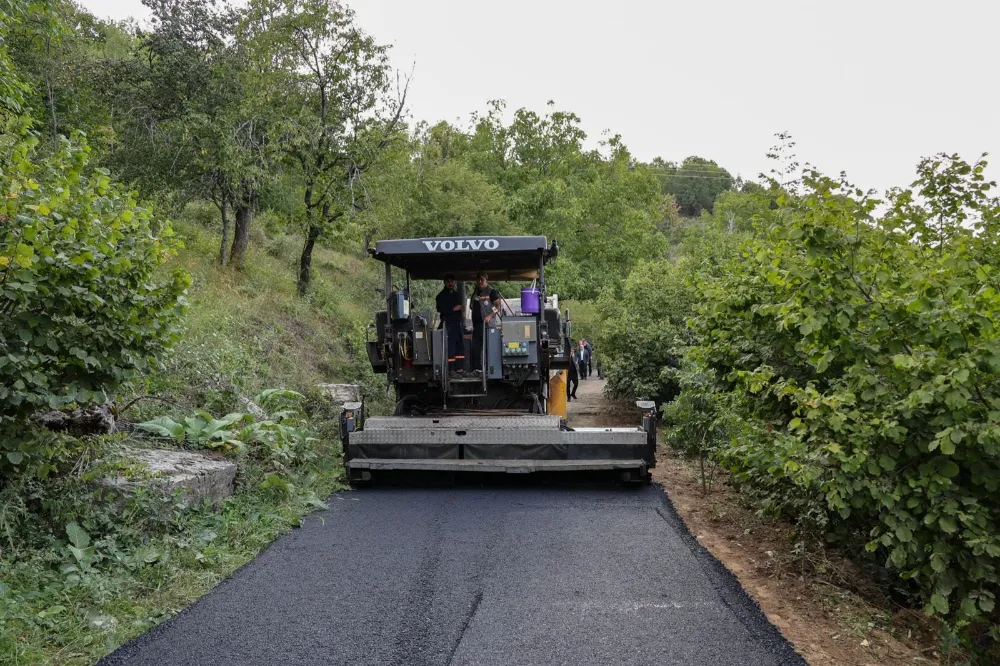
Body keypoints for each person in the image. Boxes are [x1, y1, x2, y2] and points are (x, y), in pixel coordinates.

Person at [469, 271, 501, 375]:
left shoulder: (492, 292)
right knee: (476, 348)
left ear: (486, 280)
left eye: (482, 279)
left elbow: (498, 307)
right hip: (477, 325)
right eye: (478, 279)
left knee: (488, 347)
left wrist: (490, 315)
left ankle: (489, 369)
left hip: (488, 325)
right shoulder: (475, 292)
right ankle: (478, 369)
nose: (479, 281)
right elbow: (471, 306)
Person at [435, 274, 465, 375]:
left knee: (459, 345)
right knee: (450, 347)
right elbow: (440, 309)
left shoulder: (457, 295)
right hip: (448, 324)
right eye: (448, 281)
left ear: (455, 282)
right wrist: (453, 309)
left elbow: (459, 308)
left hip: (458, 324)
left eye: (452, 281)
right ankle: (451, 369)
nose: (450, 283)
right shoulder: (440, 296)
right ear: (444, 282)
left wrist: (461, 308)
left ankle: (459, 368)